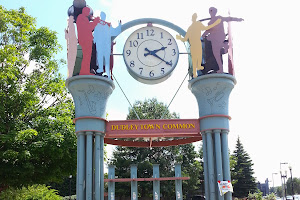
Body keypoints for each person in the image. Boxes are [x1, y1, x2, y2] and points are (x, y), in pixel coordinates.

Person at [177, 13, 221, 78]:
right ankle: (196, 72)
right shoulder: (195, 25)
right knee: (196, 58)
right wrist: (215, 23)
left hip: (195, 44)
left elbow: (185, 39)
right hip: (196, 43)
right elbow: (206, 28)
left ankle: (196, 71)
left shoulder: (192, 27)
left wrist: (179, 38)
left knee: (197, 58)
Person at [202, 7, 243, 73]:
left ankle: (224, 46)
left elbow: (228, 19)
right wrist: (201, 37)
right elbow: (207, 31)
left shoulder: (219, 18)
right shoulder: (210, 22)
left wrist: (238, 19)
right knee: (216, 55)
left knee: (217, 53)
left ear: (215, 12)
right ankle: (220, 69)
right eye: (210, 11)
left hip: (219, 37)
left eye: (212, 11)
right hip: (214, 39)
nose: (211, 12)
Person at [93, 11, 121, 80]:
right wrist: (94, 41)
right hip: (100, 44)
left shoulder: (108, 25)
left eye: (104, 16)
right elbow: (95, 33)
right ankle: (100, 70)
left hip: (106, 45)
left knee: (106, 59)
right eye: (102, 15)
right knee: (99, 58)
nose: (103, 17)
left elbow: (114, 31)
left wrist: (119, 25)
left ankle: (108, 74)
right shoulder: (98, 24)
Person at [76, 7, 100, 75]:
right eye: (88, 11)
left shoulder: (83, 18)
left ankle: (86, 70)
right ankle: (84, 71)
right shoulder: (81, 17)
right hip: (85, 40)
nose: (88, 13)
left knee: (88, 56)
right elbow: (88, 28)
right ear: (84, 11)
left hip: (86, 39)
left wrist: (95, 21)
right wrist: (95, 21)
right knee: (87, 56)